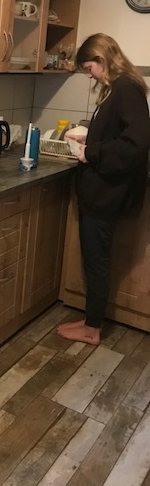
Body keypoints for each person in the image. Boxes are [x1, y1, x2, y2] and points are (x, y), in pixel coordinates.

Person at [57, 33, 150, 345]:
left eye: (89, 67)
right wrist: (91, 140)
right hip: (102, 192)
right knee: (94, 258)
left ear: (102, 58)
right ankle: (90, 320)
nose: (89, 73)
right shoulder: (118, 88)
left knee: (96, 260)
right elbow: (119, 135)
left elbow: (136, 144)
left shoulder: (125, 88)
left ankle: (92, 328)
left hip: (105, 195)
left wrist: (92, 152)